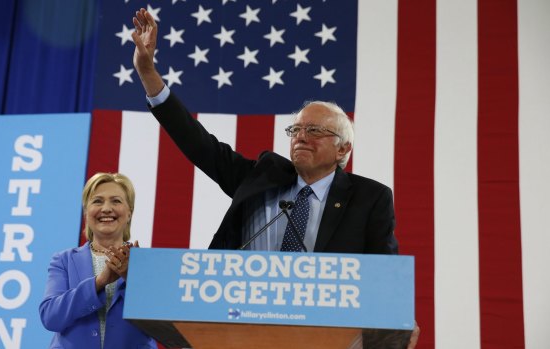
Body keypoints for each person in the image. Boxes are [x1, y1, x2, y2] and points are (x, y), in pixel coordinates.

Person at [131, 8, 418, 348]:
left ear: (343, 150)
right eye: (295, 129)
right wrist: (149, 74)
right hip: (239, 327)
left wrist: (393, 316)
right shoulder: (262, 177)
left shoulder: (370, 199)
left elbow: (382, 275)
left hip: (325, 335)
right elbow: (199, 144)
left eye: (314, 130)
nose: (300, 136)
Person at [39, 172, 157, 349]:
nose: (107, 208)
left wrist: (132, 278)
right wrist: (99, 282)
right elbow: (51, 318)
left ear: (129, 212)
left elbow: (164, 327)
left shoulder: (148, 263)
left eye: (116, 201)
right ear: (86, 212)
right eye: (97, 201)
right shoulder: (63, 260)